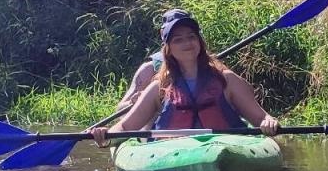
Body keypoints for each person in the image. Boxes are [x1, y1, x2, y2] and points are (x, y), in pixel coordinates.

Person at [92, 10, 278, 146]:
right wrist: (106, 137)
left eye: (191, 37)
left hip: (226, 148)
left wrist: (268, 121)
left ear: (199, 42)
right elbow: (125, 127)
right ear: (168, 49)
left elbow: (260, 117)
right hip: (172, 154)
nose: (187, 43)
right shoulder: (159, 88)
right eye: (178, 39)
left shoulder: (227, 80)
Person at [114, 8, 189, 111]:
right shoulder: (149, 69)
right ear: (163, 33)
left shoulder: (210, 69)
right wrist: (133, 101)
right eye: (177, 37)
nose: (185, 43)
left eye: (189, 34)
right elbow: (120, 109)